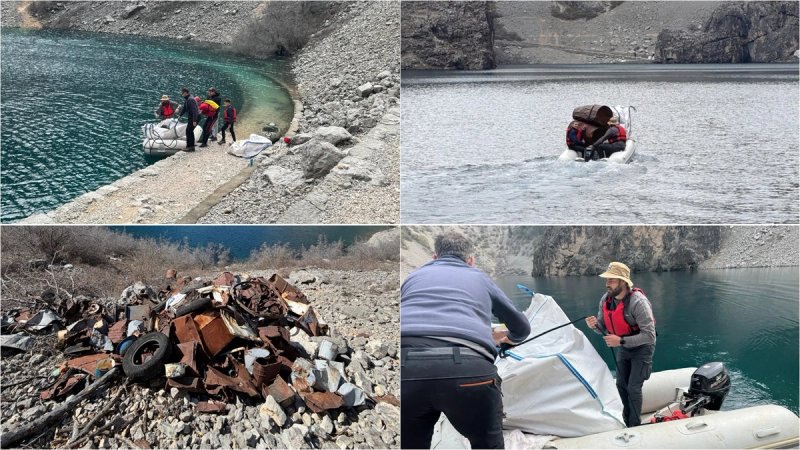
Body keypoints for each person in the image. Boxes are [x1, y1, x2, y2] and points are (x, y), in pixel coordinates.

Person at [401, 232, 531, 449]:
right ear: (470, 260)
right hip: (469, 371)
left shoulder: (413, 277)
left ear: (434, 257)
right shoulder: (479, 277)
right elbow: (522, 327)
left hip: (407, 370)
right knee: (487, 444)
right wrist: (508, 339)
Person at [585, 261, 656, 427]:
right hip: (624, 346)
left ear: (623, 282)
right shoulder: (605, 300)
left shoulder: (639, 302)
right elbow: (602, 328)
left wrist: (621, 340)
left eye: (611, 280)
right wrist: (594, 326)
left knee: (633, 388)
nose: (607, 283)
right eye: (607, 280)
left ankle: (634, 425)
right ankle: (625, 419)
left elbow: (650, 336)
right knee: (621, 384)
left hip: (642, 348)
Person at [178, 88, 199, 152]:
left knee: (188, 131)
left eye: (182, 93)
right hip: (191, 117)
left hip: (193, 118)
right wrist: (180, 115)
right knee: (189, 131)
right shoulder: (187, 99)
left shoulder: (190, 99)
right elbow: (184, 108)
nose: (182, 94)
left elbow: (194, 110)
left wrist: (194, 120)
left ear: (185, 93)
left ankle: (190, 147)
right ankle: (190, 146)